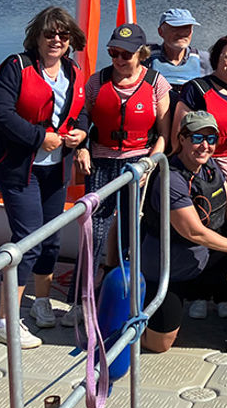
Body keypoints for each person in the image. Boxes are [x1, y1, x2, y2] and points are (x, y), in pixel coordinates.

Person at [0, 6, 90, 348]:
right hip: (20, 168)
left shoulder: (73, 71)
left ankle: (41, 303)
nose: (56, 40)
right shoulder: (16, 66)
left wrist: (81, 135)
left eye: (62, 35)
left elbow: (82, 112)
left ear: (71, 39)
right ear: (37, 37)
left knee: (52, 239)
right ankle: (5, 321)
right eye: (49, 34)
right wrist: (37, 137)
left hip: (55, 169)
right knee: (26, 240)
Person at [138, 111, 227, 359]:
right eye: (198, 138)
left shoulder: (209, 165)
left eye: (211, 139)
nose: (205, 146)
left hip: (202, 261)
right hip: (169, 271)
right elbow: (193, 231)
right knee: (160, 345)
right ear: (182, 139)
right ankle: (126, 321)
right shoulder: (170, 178)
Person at [68, 23, 170, 326]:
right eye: (113, 52)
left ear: (141, 53)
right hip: (101, 161)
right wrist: (82, 148)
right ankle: (80, 300)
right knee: (94, 234)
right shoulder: (98, 82)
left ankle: (124, 298)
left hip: (138, 164)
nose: (119, 59)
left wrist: (150, 164)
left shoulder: (155, 83)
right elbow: (81, 120)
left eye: (126, 54)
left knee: (130, 234)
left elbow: (164, 135)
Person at [173, 34, 227, 319]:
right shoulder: (196, 89)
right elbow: (180, 133)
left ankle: (224, 294)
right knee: (207, 234)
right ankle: (198, 293)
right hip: (208, 171)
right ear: (216, 59)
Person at [146, 8, 209, 99]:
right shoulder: (147, 57)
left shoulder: (204, 60)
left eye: (186, 28)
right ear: (161, 32)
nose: (182, 33)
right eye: (176, 28)